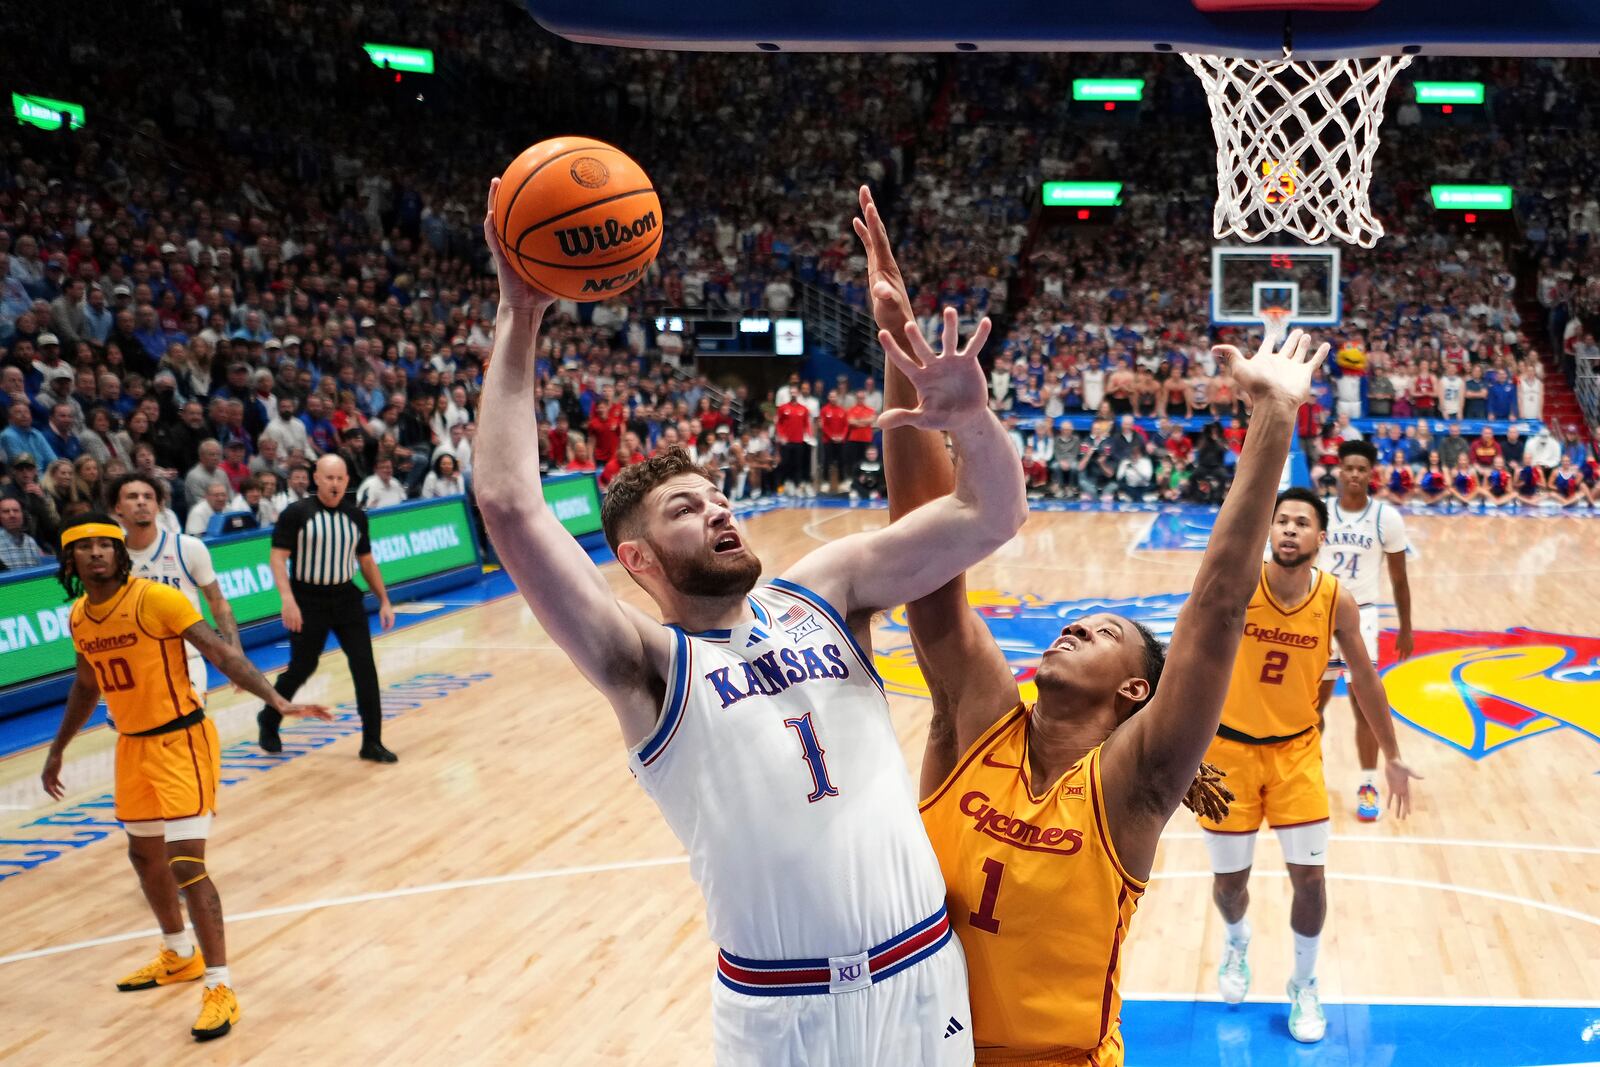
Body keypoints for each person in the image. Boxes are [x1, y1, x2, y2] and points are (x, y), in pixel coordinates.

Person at [475, 180, 1029, 1065]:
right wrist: (521, 315)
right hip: (783, 1013)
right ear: (638, 561)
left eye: (719, 495)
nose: (720, 510)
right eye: (687, 509)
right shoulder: (646, 664)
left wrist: (973, 422)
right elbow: (509, 504)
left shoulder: (825, 589)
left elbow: (990, 516)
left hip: (925, 975)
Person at [874, 213, 1332, 1059]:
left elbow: (1217, 609)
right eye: (1082, 621)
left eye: (1107, 630)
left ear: (1135, 690)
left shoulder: (1133, 784)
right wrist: (901, 364)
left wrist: (1272, 418)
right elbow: (926, 570)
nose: (1078, 621)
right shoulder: (978, 724)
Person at [40, 514, 330, 1041]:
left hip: (183, 740)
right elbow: (87, 686)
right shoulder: (81, 617)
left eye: (108, 543)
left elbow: (220, 650)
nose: (99, 553)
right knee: (142, 857)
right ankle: (178, 954)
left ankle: (220, 985)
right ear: (71, 562)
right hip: (131, 745)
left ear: (121, 552)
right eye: (87, 547)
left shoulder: (155, 599)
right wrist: (57, 751)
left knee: (186, 865)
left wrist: (276, 700)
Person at [1201, 488, 1419, 1041]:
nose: (1290, 530)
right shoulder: (1239, 583)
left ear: (1321, 538)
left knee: (1312, 881)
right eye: (1281, 522)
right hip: (1227, 753)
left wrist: (1391, 756)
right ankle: (1237, 942)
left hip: (1296, 752)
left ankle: (1303, 982)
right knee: (1230, 884)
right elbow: (1186, 655)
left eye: (1302, 522)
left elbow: (1365, 679)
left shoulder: (1335, 600)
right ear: (1268, 533)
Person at [258, 455, 398, 762]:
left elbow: (366, 561)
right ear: (316, 479)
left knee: (365, 668)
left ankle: (371, 742)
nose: (334, 484)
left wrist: (384, 600)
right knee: (302, 667)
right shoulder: (297, 513)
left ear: (347, 481)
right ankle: (269, 718)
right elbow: (278, 558)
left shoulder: (356, 516)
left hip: (347, 598)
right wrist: (287, 599)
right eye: (328, 478)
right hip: (307, 600)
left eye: (340, 479)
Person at [1314, 440, 1412, 821]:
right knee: (1311, 705)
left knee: (1364, 707)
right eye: (1349, 467)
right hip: (1319, 611)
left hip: (1364, 617)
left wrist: (1405, 627)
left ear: (1371, 474)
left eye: (1362, 469)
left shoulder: (1386, 518)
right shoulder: (1320, 512)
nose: (1355, 474)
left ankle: (1368, 782)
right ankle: (1308, 777)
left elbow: (1400, 579)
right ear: (1339, 470)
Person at [111, 473, 243, 701]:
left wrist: (234, 654)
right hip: (134, 664)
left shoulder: (188, 548)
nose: (141, 501)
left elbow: (217, 602)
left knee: (186, 728)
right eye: (132, 497)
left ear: (158, 505)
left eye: (148, 496)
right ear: (118, 508)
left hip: (186, 660)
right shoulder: (110, 557)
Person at [0, 495, 47, 569]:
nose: (12, 515)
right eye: (6, 511)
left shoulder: (31, 542)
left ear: (23, 515)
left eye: (16, 510)